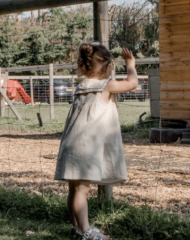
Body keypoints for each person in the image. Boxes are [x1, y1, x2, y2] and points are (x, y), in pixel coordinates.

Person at [54, 43, 138, 240]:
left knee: (74, 190)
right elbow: (132, 83)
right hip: (86, 147)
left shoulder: (80, 87)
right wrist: (131, 63)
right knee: (82, 191)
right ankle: (86, 231)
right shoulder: (105, 86)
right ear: (108, 67)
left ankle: (76, 228)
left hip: (71, 145)